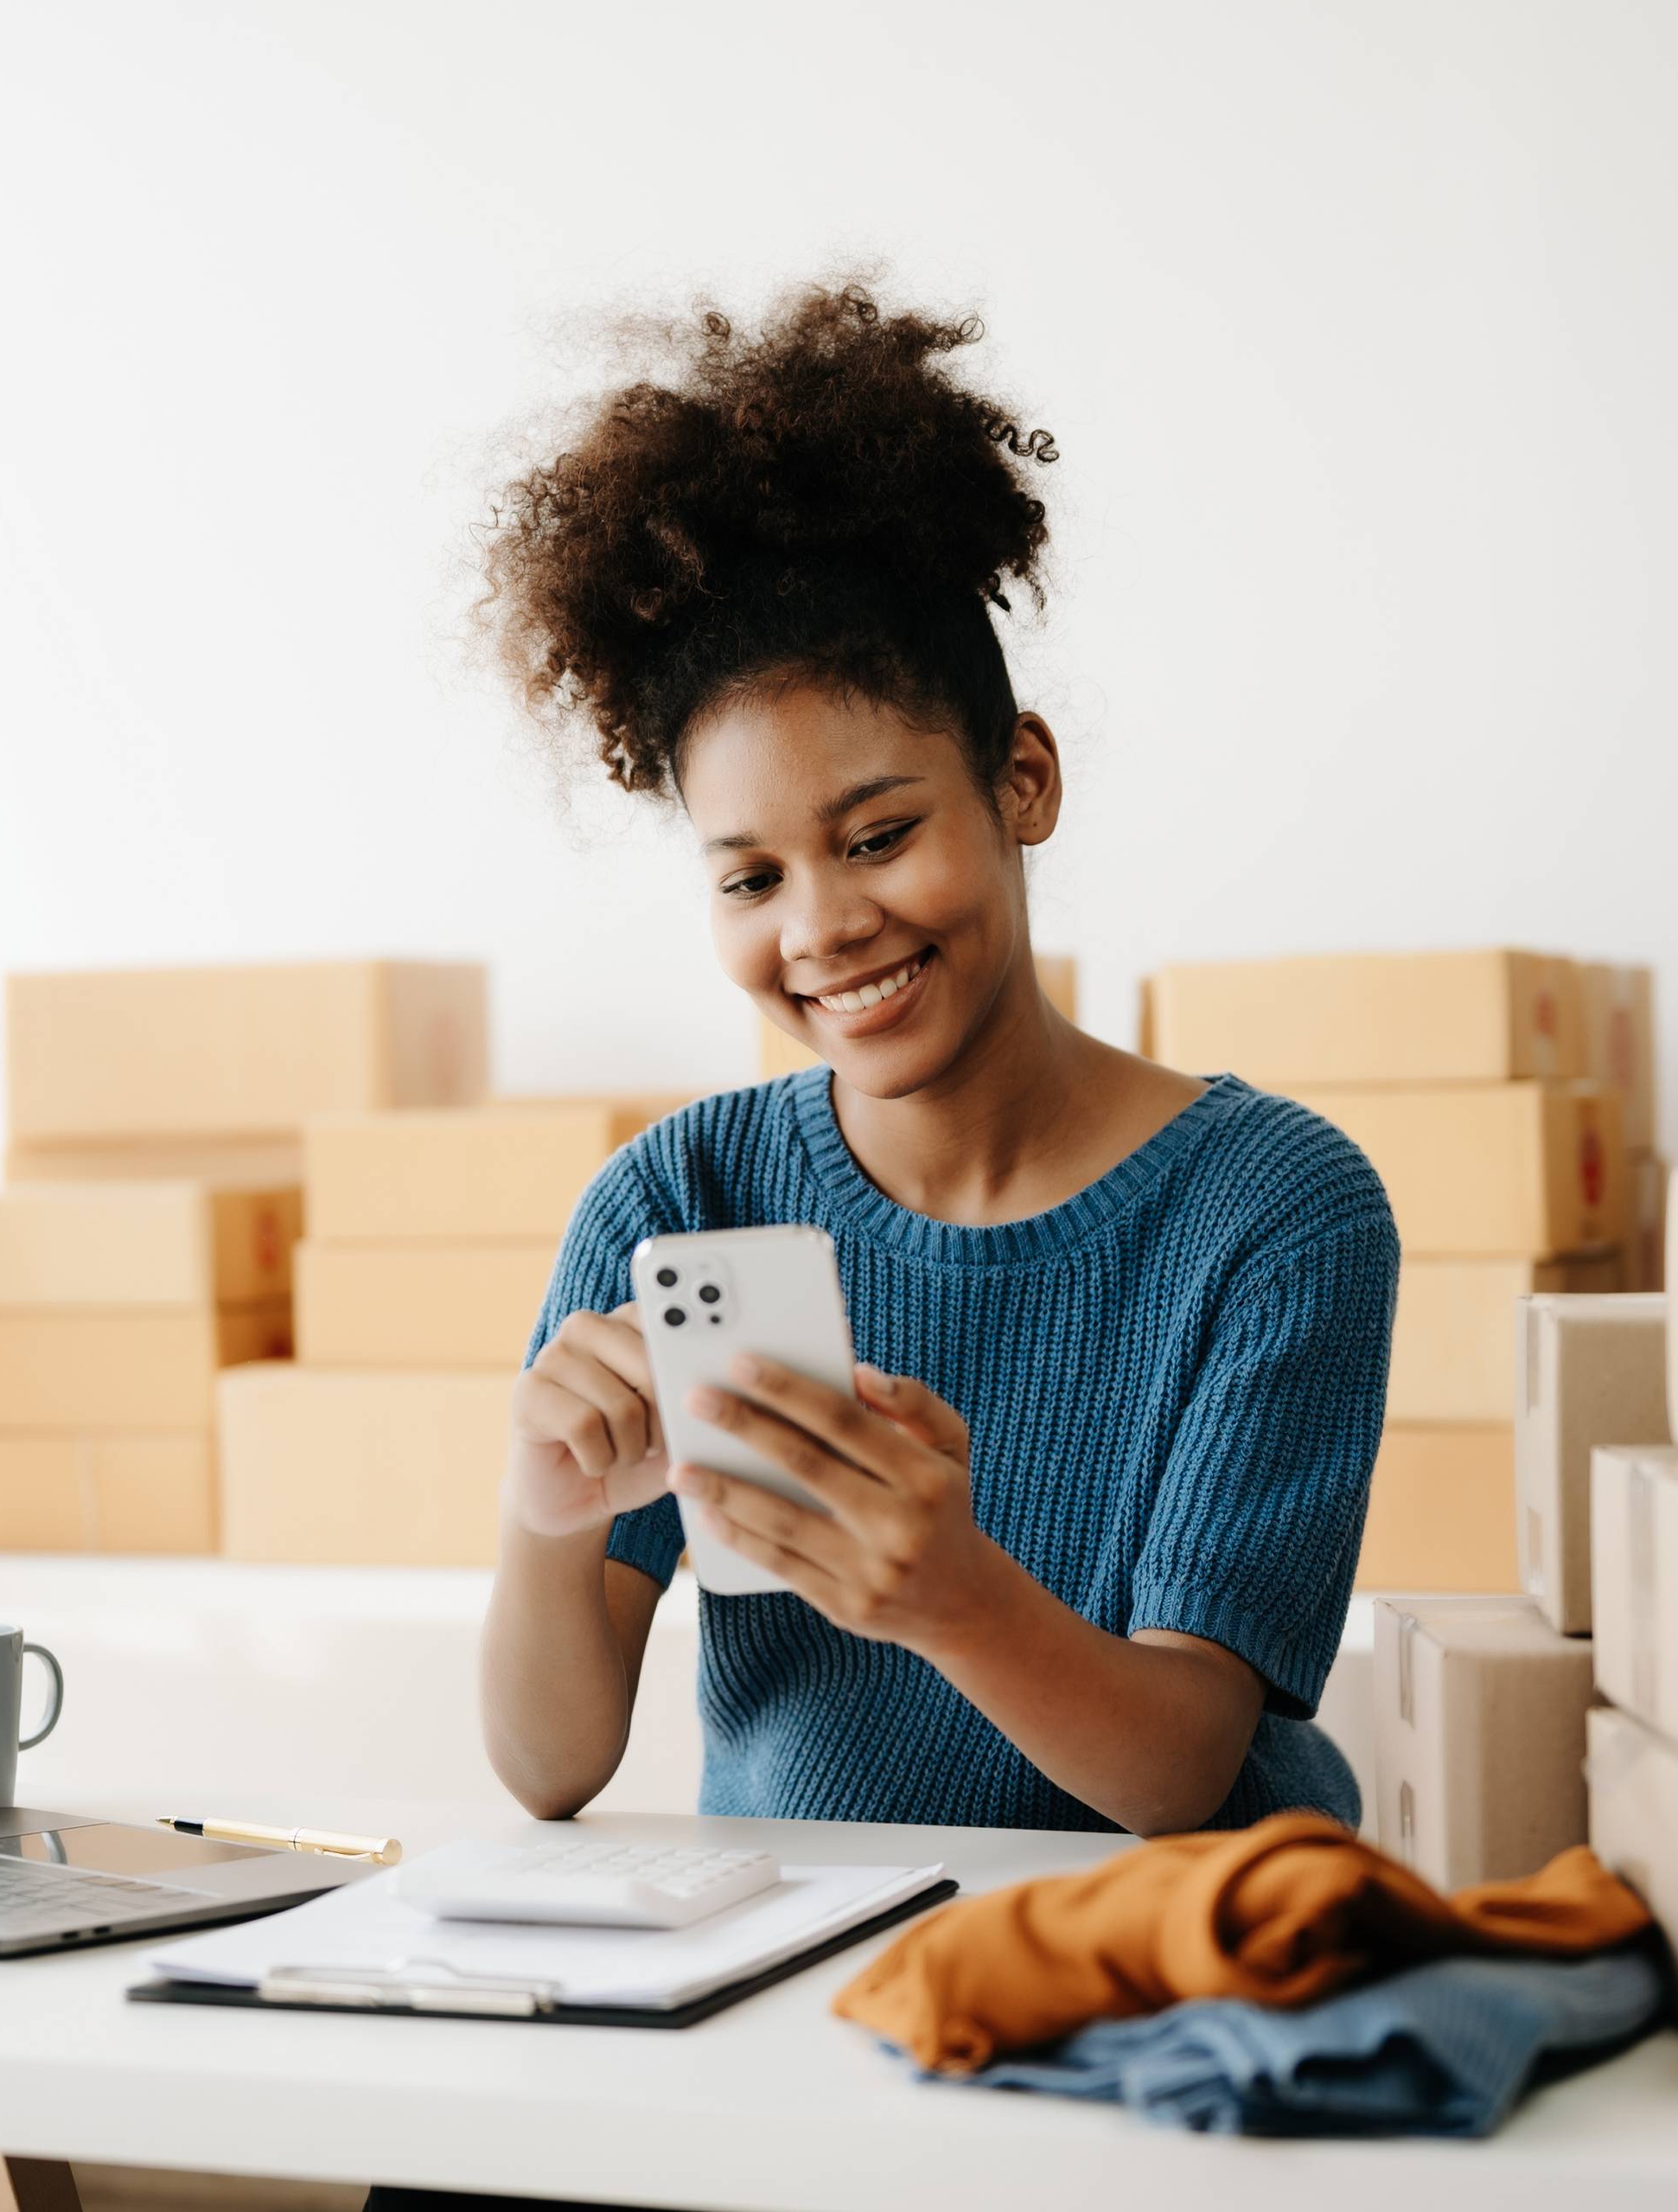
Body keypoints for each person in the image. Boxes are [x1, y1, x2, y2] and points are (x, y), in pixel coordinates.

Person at [475, 281, 1395, 1840]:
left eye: (881, 835)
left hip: (1148, 1966)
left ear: (1020, 781)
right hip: (800, 1981)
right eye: (750, 876)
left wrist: (952, 1594)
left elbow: (1177, 1775)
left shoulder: (1274, 1212)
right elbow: (548, 1764)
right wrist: (549, 1518)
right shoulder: (676, 1197)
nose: (824, 926)